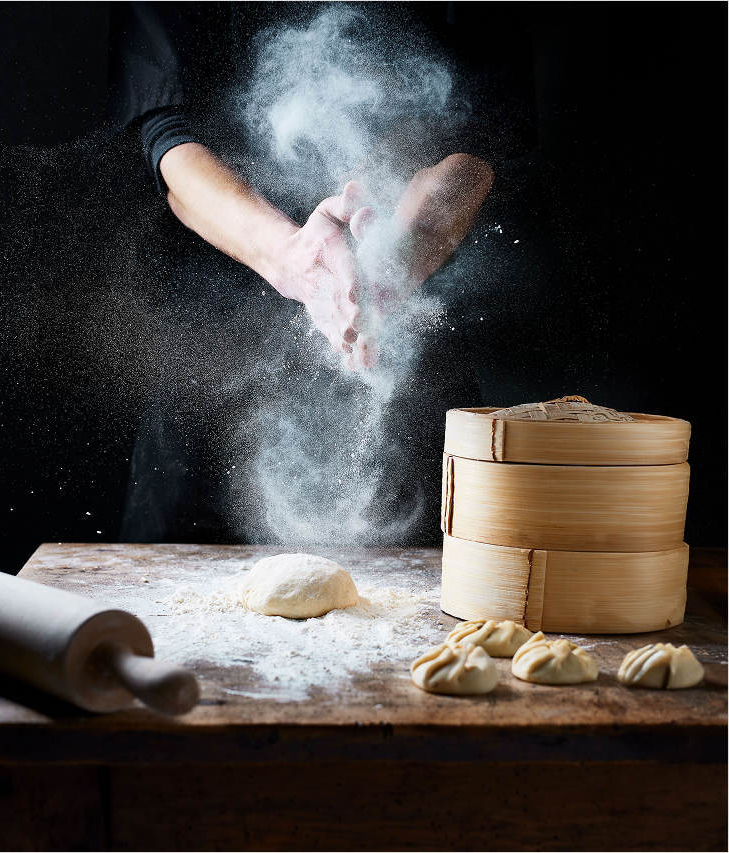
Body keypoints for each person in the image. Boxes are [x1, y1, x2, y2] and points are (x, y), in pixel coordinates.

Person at [109, 1, 537, 545]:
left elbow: (481, 137)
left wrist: (399, 255)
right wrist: (294, 256)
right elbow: (168, 139)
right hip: (212, 342)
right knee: (170, 588)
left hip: (403, 332)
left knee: (429, 589)